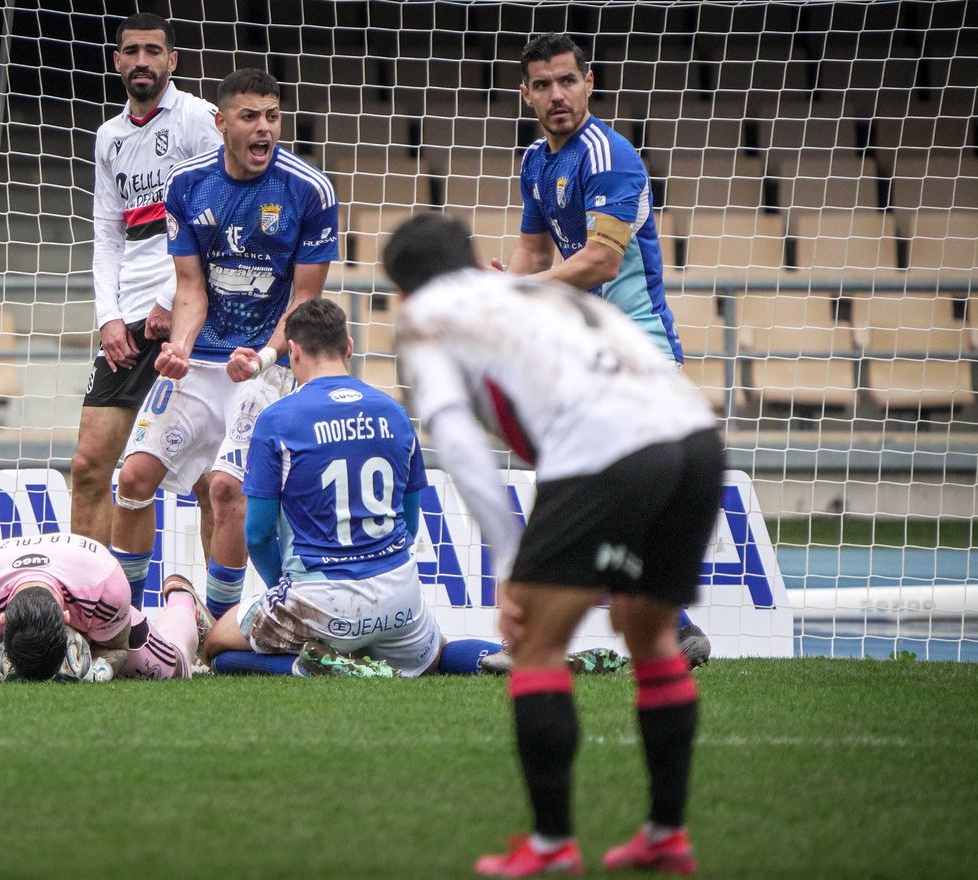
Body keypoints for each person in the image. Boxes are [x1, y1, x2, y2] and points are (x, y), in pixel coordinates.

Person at [384, 213, 723, 876]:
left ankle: (551, 844)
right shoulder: (543, 291)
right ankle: (666, 832)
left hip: (607, 449)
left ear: (403, 292)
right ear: (478, 262)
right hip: (695, 439)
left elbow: (455, 440)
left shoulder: (427, 315)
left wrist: (510, 560)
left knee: (535, 643)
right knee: (647, 633)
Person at [200, 298, 624, 680]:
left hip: (318, 600)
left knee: (217, 646)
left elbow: (256, 533)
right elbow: (410, 520)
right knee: (436, 654)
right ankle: (526, 657)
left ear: (292, 352)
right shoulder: (395, 414)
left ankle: (313, 666)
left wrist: (282, 588)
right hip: (398, 596)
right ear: (349, 345)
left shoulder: (277, 419)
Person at [500, 32, 711, 667]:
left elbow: (599, 260)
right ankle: (672, 628)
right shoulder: (536, 162)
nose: (556, 95)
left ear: (589, 83)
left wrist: (518, 293)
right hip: (589, 352)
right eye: (542, 85)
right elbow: (534, 253)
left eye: (566, 80)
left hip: (640, 351)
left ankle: (547, 633)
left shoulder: (611, 156)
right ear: (526, 94)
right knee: (573, 484)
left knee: (587, 490)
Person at [109, 68, 338, 623]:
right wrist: (180, 349)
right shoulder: (188, 184)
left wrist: (261, 358)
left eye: (273, 117)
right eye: (250, 117)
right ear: (221, 122)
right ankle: (123, 625)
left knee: (226, 489)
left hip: (265, 366)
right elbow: (190, 287)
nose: (265, 129)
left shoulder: (309, 190)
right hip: (202, 360)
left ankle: (216, 629)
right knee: (133, 480)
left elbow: (304, 304)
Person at [73, 12, 222, 555]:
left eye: (153, 51)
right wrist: (108, 317)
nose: (142, 61)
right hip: (128, 322)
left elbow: (218, 215)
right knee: (90, 467)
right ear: (117, 60)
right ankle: (84, 615)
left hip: (190, 315)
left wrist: (169, 302)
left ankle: (212, 622)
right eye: (131, 51)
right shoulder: (108, 137)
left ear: (172, 60)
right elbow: (107, 235)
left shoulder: (199, 119)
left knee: (209, 480)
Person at [0, 532, 211, 681]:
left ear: (69, 618)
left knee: (172, 669)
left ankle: (183, 599)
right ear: (0, 621)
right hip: (3, 595)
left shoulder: (105, 584)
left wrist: (101, 669)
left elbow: (114, 646)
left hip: (94, 610)